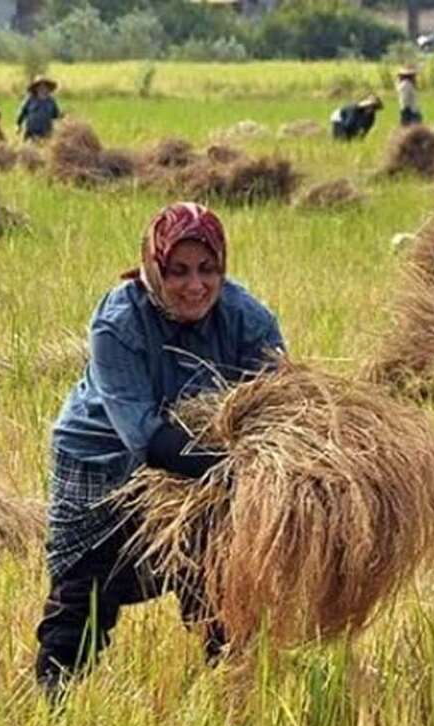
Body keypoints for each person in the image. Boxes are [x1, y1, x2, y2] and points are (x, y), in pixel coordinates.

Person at [34, 202, 286, 700]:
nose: (196, 286)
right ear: (153, 268)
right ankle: (52, 701)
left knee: (217, 572)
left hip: (206, 459)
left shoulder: (246, 320)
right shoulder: (120, 322)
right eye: (178, 271)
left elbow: (280, 405)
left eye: (207, 269)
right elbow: (146, 436)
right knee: (86, 588)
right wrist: (236, 470)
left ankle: (228, 692)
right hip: (103, 457)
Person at [16, 75, 62, 142]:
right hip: (31, 133)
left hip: (46, 133)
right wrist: (18, 125)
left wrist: (64, 119)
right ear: (36, 88)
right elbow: (22, 112)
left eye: (45, 86)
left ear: (48, 88)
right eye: (40, 86)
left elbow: (56, 115)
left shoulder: (51, 101)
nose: (42, 88)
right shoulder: (30, 99)